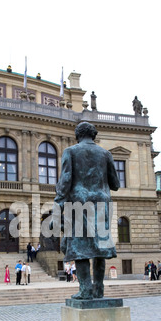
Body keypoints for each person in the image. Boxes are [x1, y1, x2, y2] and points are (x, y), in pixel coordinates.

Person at [52, 121, 120, 299]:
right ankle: (98, 288)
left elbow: (65, 182)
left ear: (77, 135)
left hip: (79, 203)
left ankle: (85, 289)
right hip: (102, 203)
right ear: (93, 135)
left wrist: (58, 207)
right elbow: (116, 184)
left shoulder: (71, 151)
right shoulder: (106, 154)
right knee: (100, 247)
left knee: (80, 247)